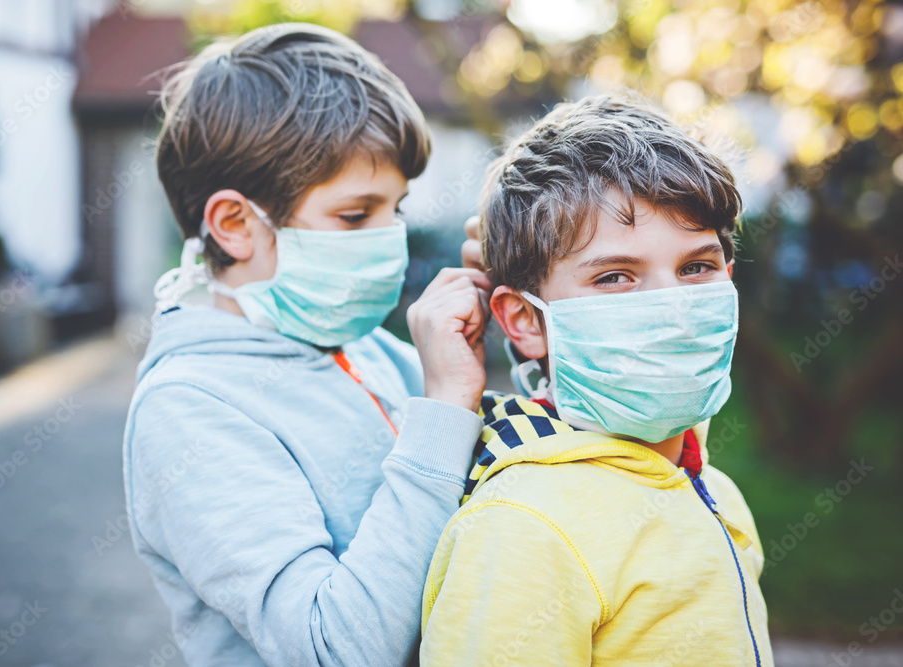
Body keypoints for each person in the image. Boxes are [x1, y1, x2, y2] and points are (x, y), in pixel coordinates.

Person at [123, 23, 490, 666]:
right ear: (235, 224)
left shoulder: (359, 346)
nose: (390, 238)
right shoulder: (189, 408)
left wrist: (530, 328)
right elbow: (333, 650)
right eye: (355, 215)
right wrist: (445, 411)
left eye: (395, 209)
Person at [420, 95, 773, 666]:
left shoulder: (712, 486)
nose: (673, 305)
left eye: (696, 267)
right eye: (615, 276)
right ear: (526, 320)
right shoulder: (522, 527)